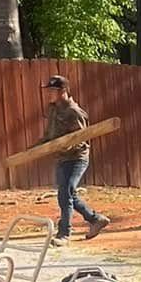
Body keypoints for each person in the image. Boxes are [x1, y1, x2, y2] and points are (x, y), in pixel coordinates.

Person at [42, 75, 111, 243]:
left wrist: (65, 146)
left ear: (63, 91)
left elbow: (82, 140)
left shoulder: (74, 112)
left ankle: (64, 234)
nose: (49, 94)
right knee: (67, 194)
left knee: (65, 193)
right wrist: (38, 147)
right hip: (61, 158)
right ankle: (95, 219)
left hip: (76, 158)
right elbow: (49, 135)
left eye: (53, 91)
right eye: (48, 91)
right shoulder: (52, 109)